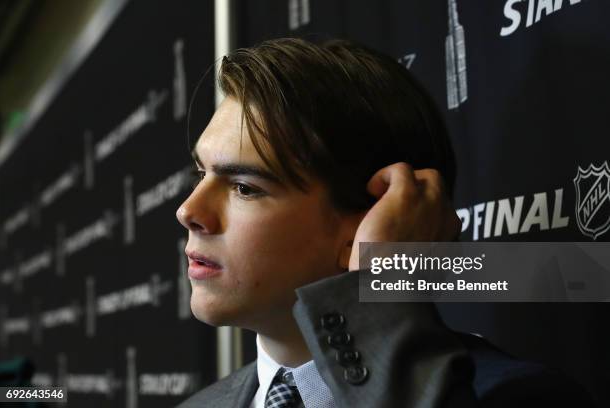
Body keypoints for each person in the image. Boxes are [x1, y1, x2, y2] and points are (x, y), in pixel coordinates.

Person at [175, 38, 594, 408]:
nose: (189, 211)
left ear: (372, 219)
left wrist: (384, 275)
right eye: (201, 174)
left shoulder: (513, 397)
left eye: (245, 187)